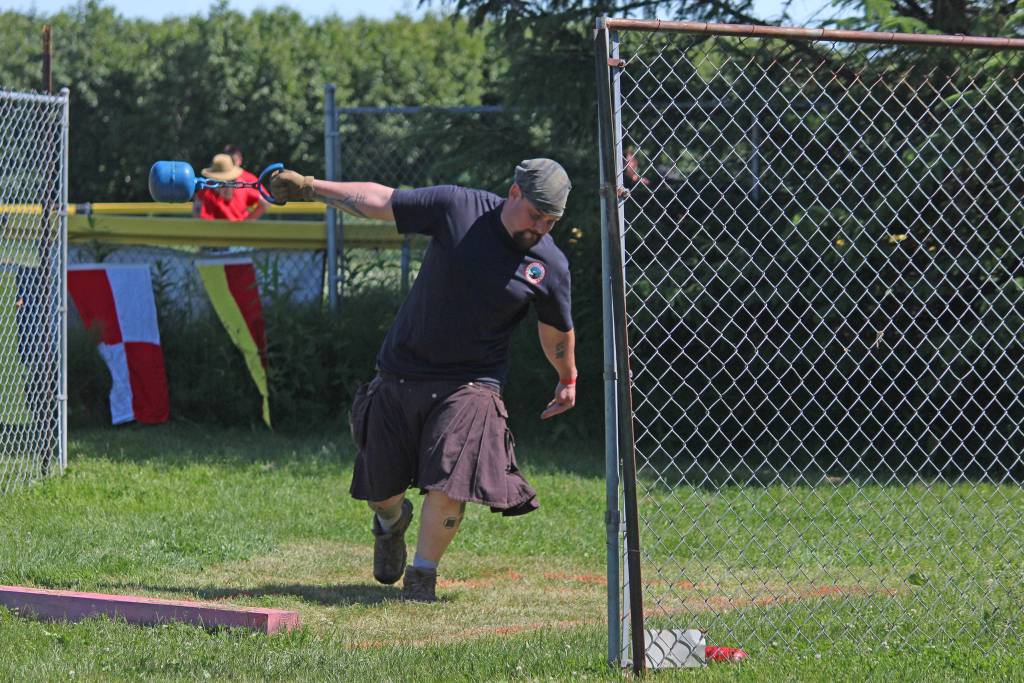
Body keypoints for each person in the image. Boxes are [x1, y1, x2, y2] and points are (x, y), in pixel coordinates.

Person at [268, 159, 577, 602]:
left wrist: (567, 377)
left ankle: (421, 579)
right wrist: (310, 188)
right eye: (535, 215)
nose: (542, 228)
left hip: (473, 382)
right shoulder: (458, 208)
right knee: (381, 490)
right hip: (403, 368)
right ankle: (392, 523)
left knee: (451, 481)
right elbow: (380, 200)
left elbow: (556, 330)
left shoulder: (548, 265)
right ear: (513, 193)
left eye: (551, 221)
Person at [193, 153, 268, 222]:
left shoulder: (207, 190)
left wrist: (247, 222)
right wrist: (247, 223)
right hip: (238, 234)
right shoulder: (242, 186)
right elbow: (264, 202)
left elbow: (198, 214)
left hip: (217, 234)